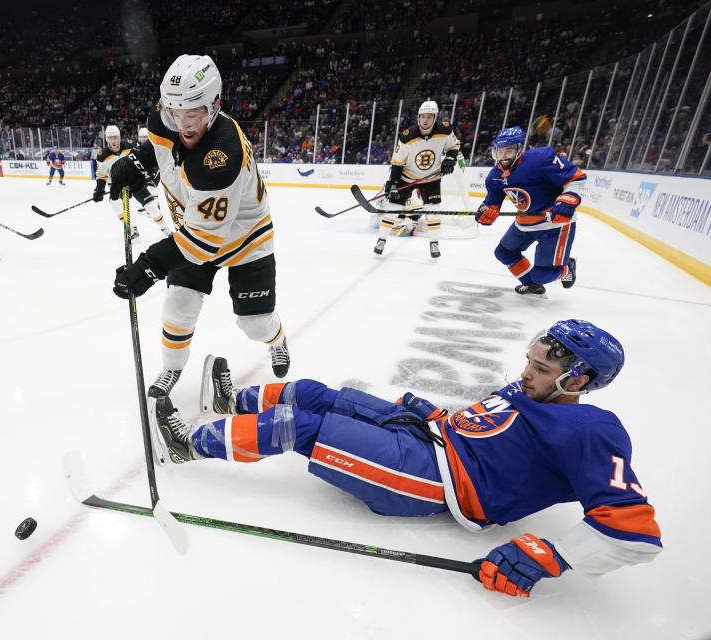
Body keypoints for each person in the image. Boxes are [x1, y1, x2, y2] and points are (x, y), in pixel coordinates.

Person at [155, 319, 661, 598]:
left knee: (300, 426)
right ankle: (231, 401)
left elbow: (633, 531)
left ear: (578, 380)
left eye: (542, 366)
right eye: (530, 360)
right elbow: (494, 429)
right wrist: (435, 415)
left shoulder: (591, 429)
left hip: (432, 481)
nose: (527, 371)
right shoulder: (530, 390)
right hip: (433, 437)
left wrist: (555, 556)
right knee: (316, 394)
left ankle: (189, 445)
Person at [109, 54, 290, 398]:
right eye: (175, 114)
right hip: (196, 232)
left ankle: (276, 338)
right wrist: (137, 161)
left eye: (193, 114)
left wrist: (148, 266)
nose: (184, 125)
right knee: (178, 306)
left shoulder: (221, 156)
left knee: (254, 324)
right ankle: (172, 368)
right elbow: (163, 146)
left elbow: (201, 245)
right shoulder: (166, 120)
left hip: (245, 241)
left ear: (215, 104)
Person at [475, 126, 585, 296]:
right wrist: (485, 211)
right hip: (525, 222)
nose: (503, 157)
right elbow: (492, 200)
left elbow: (576, 178)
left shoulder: (540, 159)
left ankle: (567, 267)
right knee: (504, 253)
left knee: (543, 275)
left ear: (519, 149)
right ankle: (533, 285)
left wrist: (567, 201)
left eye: (509, 151)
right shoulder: (494, 176)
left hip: (554, 224)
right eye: (499, 152)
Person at [374, 100, 460, 259]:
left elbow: (454, 146)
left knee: (433, 212)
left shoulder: (445, 130)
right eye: (422, 117)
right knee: (392, 209)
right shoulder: (407, 137)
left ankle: (434, 242)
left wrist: (450, 159)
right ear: (418, 118)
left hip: (431, 177)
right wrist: (392, 183)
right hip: (406, 177)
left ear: (435, 118)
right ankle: (381, 239)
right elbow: (397, 162)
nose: (425, 120)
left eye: (429, 117)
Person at [92, 124, 171, 240]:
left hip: (136, 183)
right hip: (118, 188)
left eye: (115, 137)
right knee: (115, 203)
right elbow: (101, 175)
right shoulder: (102, 156)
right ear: (106, 139)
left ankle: (166, 229)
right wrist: (99, 189)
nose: (113, 141)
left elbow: (144, 159)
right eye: (110, 138)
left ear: (119, 137)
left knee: (152, 206)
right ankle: (132, 229)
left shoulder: (130, 146)